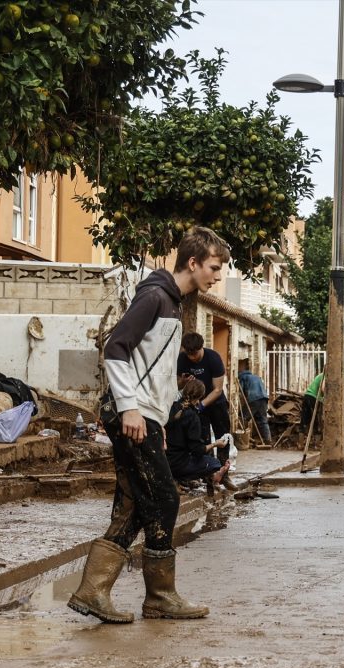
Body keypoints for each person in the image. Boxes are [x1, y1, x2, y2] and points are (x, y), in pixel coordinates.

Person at [68, 226, 228, 624]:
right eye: (213, 266)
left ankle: (93, 591)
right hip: (132, 417)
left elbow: (150, 367)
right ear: (193, 262)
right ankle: (160, 596)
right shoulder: (155, 296)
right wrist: (131, 408)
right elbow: (116, 348)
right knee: (164, 498)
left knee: (134, 504)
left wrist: (166, 408)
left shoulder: (173, 303)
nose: (217, 275)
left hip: (146, 415)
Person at [177, 332, 236, 490]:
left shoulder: (213, 358)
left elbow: (217, 389)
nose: (192, 358)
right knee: (201, 440)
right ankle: (208, 475)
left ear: (201, 348)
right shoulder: (182, 359)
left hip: (215, 402)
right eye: (189, 354)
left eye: (195, 354)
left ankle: (224, 475)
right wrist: (183, 381)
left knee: (223, 437)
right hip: (196, 403)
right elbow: (177, 385)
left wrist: (201, 405)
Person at [166, 379, 231, 487]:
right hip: (178, 464)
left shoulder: (171, 408)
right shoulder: (192, 416)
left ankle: (179, 479)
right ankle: (185, 477)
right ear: (201, 396)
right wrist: (216, 444)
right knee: (214, 463)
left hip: (165, 461)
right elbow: (197, 450)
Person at [237, 360, 270, 445]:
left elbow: (241, 390)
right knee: (263, 420)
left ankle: (243, 438)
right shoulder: (255, 376)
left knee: (242, 416)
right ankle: (267, 440)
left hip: (254, 399)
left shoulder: (243, 377)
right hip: (264, 398)